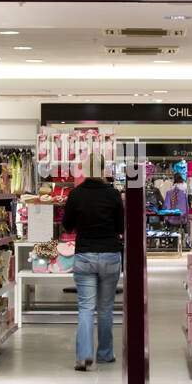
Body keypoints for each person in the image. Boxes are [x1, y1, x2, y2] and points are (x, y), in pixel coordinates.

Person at [62, 151, 124, 370]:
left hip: (85, 255)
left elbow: (67, 226)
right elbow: (120, 228)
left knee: (86, 307)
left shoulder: (76, 194)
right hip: (110, 255)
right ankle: (105, 354)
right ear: (104, 170)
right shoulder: (113, 194)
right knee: (106, 308)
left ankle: (83, 356)